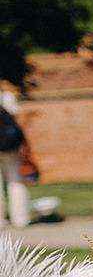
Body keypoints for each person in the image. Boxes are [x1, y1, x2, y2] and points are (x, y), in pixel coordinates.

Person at [0, 90, 31, 228]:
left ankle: (1, 219)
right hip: (10, 147)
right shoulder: (6, 97)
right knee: (16, 182)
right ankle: (20, 218)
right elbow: (16, 122)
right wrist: (24, 143)